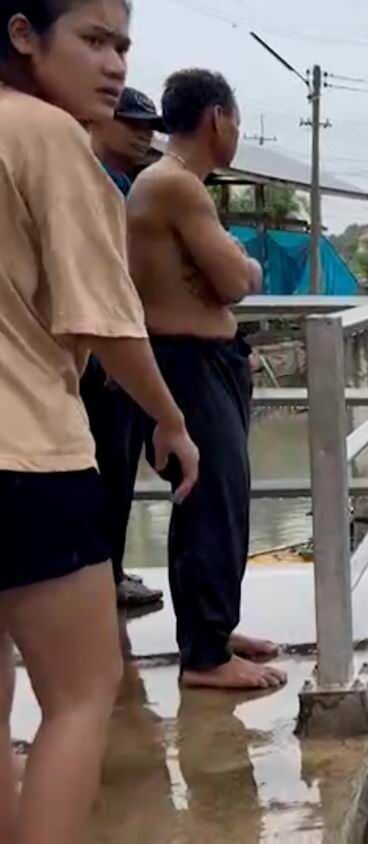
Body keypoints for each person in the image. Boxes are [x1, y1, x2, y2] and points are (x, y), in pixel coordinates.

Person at [0, 0, 201, 838]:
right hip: (27, 451)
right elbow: (104, 321)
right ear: (22, 34)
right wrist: (171, 420)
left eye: (122, 44)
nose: (115, 65)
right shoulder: (47, 138)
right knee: (83, 694)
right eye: (92, 40)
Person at [128, 68, 285, 690]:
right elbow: (234, 280)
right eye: (238, 120)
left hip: (205, 359)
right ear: (218, 117)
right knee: (209, 503)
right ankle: (204, 656)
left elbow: (227, 276)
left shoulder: (176, 184)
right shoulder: (175, 185)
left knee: (220, 501)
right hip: (185, 361)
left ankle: (213, 631)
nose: (238, 132)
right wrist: (241, 263)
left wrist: (234, 267)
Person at [84, 84, 165, 608]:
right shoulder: (89, 184)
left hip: (120, 352)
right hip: (99, 358)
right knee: (103, 470)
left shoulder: (123, 186)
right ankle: (98, 579)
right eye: (132, 123)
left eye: (149, 127)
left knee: (118, 472)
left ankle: (107, 571)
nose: (143, 135)